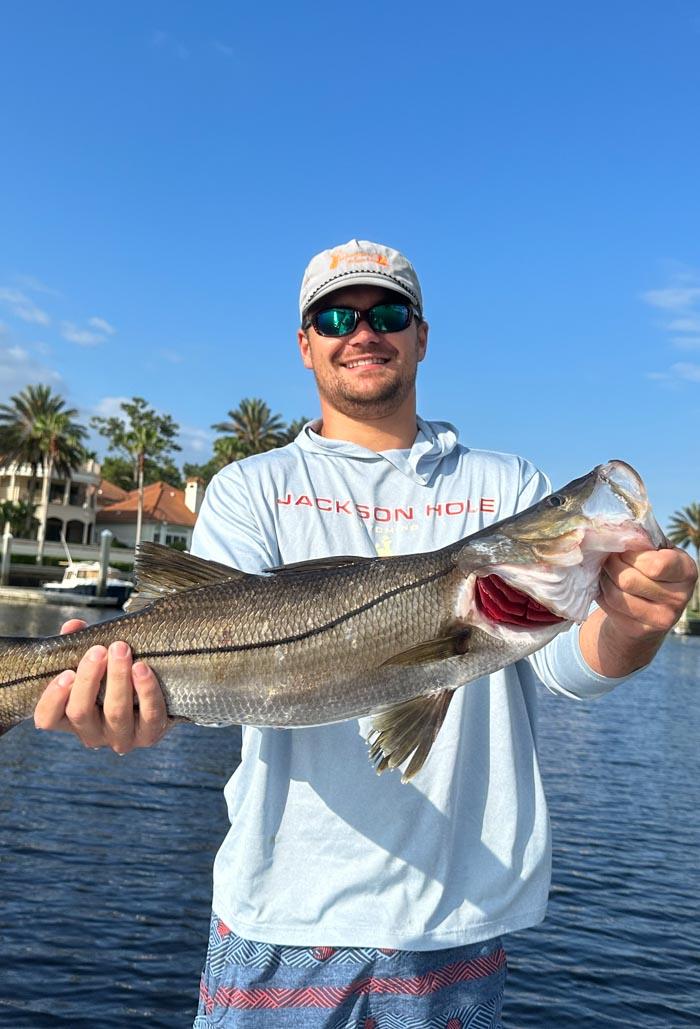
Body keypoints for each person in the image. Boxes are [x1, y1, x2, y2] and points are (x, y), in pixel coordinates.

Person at [35, 239, 697, 1028]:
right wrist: (128, 707)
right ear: (306, 342)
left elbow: (567, 668)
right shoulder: (252, 488)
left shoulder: (507, 484)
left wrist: (632, 624)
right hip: (279, 912)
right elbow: (205, 675)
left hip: (456, 921)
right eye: (336, 315)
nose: (363, 330)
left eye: (387, 312)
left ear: (421, 334)